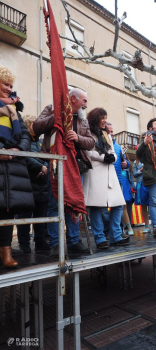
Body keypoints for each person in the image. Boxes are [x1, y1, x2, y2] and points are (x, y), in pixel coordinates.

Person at [30, 88, 94, 257]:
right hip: (55, 164)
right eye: (84, 101)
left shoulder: (83, 120)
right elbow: (36, 127)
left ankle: (73, 242)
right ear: (73, 99)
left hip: (75, 166)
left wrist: (78, 138)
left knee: (74, 204)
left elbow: (91, 143)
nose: (86, 105)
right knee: (54, 204)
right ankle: (55, 243)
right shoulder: (51, 108)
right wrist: (57, 117)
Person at [0, 65, 34, 268]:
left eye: (11, 85)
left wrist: (18, 150)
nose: (9, 88)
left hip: (11, 169)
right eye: (6, 84)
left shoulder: (14, 111)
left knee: (7, 210)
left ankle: (6, 252)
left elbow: (24, 135)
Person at [83, 108, 130, 249]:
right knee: (96, 207)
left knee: (118, 203)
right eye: (102, 117)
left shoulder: (106, 134)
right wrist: (103, 157)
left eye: (105, 117)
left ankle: (115, 235)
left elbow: (114, 151)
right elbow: (87, 152)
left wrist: (112, 157)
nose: (104, 120)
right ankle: (100, 238)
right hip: (94, 173)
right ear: (95, 118)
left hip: (110, 174)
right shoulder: (88, 133)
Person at [16, 115, 50, 254]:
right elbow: (25, 157)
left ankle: (40, 241)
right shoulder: (24, 140)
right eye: (35, 123)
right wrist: (40, 167)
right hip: (27, 182)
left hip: (41, 184)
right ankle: (24, 244)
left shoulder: (41, 141)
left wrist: (45, 167)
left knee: (40, 215)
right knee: (25, 215)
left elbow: (46, 155)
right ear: (29, 124)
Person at [106, 122, 130, 238]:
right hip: (105, 181)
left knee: (118, 207)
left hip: (118, 181)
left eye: (112, 131)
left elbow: (126, 162)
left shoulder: (118, 147)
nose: (112, 133)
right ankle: (108, 232)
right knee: (103, 209)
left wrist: (127, 164)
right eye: (109, 131)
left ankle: (117, 232)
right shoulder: (102, 145)